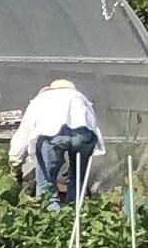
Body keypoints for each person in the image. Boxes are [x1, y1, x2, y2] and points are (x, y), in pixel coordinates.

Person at [9, 77, 99, 207]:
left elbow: (24, 133)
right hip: (83, 135)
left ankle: (51, 217)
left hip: (52, 135)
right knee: (78, 177)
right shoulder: (79, 97)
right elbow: (92, 124)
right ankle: (75, 214)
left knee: (47, 182)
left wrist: (15, 164)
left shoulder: (42, 98)